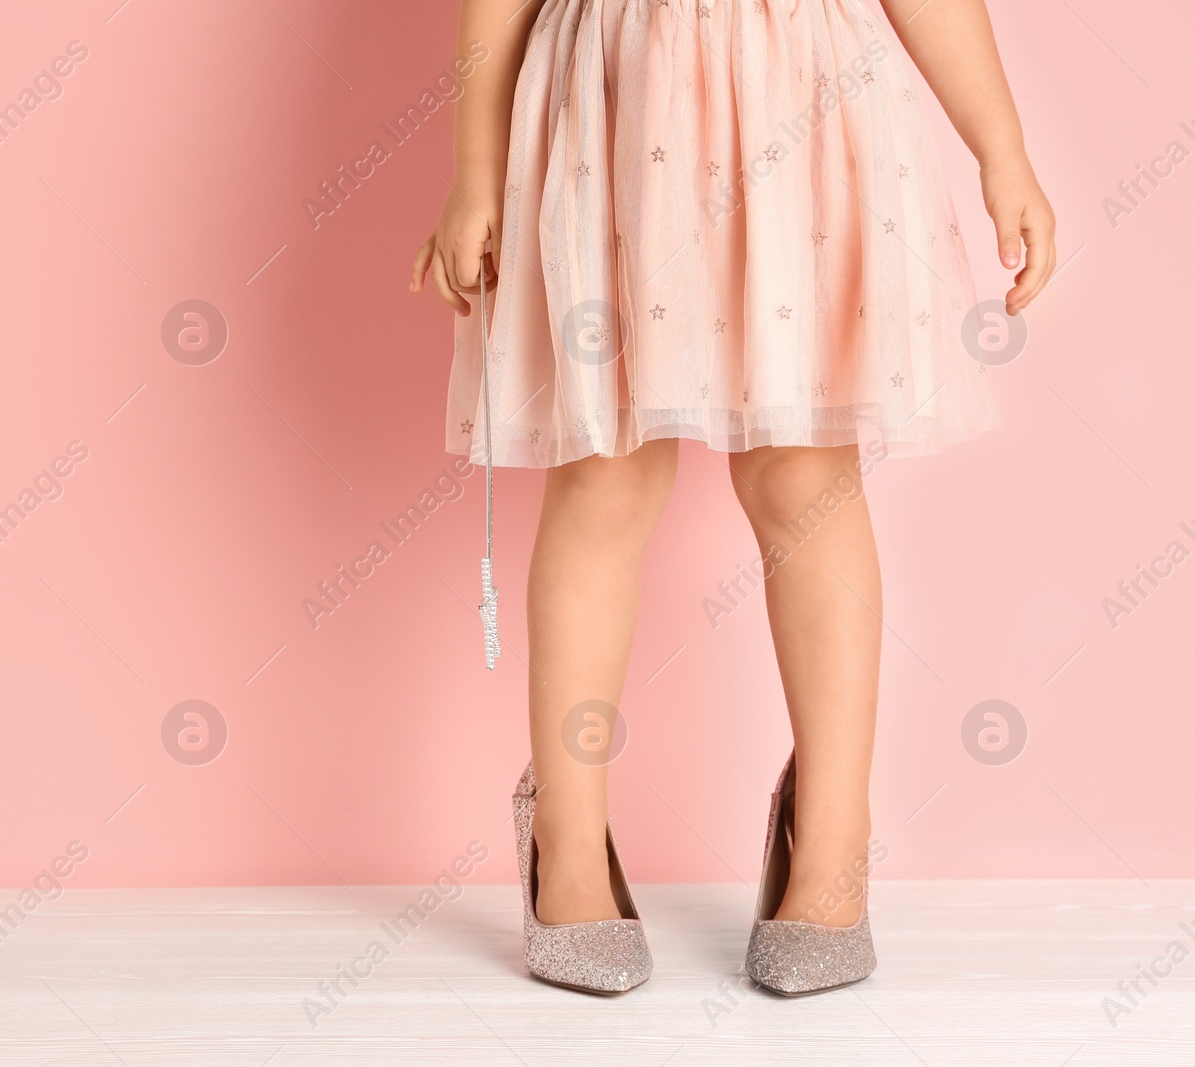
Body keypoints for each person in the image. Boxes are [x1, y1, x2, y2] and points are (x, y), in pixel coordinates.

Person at [411, 0, 1054, 995]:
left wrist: (999, 146)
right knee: (605, 471)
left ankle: (831, 832)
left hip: (804, 102)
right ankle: (567, 839)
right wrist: (474, 169)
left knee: (806, 471)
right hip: (616, 109)